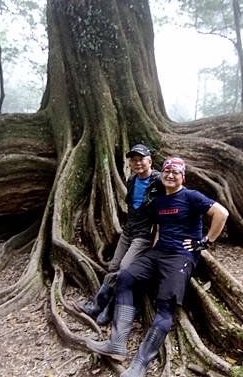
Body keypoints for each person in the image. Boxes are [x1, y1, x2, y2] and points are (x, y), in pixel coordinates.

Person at [87, 157, 229, 377]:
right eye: (167, 171)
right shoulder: (160, 202)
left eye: (176, 172)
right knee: (125, 278)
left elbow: (222, 213)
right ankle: (117, 343)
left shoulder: (191, 196)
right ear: (162, 174)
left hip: (180, 257)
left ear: (183, 176)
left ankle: (140, 364)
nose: (170, 175)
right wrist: (150, 255)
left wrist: (205, 242)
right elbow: (158, 231)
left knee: (165, 307)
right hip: (158, 253)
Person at [79, 144, 162, 325]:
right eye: (133, 160)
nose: (137, 163)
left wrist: (158, 237)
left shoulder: (159, 181)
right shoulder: (132, 180)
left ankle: (110, 310)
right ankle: (97, 305)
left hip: (143, 235)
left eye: (141, 159)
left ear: (150, 161)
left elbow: (169, 204)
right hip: (128, 231)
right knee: (114, 266)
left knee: (125, 269)